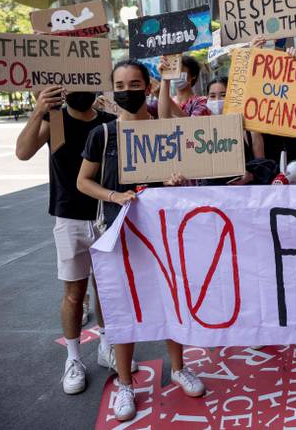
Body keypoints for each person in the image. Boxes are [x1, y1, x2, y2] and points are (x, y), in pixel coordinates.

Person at [76, 60, 206, 422]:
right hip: (119, 233)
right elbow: (83, 182)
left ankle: (178, 367)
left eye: (135, 84)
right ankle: (125, 383)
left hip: (162, 233)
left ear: (148, 88)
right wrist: (113, 196)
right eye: (120, 84)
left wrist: (179, 181)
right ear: (112, 90)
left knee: (170, 300)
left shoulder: (166, 130)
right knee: (123, 309)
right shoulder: (102, 135)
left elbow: (182, 176)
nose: (127, 90)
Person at [15, 87, 119, 395]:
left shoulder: (109, 121)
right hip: (69, 216)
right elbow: (22, 152)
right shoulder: (55, 120)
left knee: (107, 290)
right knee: (74, 293)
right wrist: (38, 110)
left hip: (107, 214)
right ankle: (73, 358)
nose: (79, 91)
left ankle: (107, 345)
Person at [157, 54, 211, 118]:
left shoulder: (202, 101)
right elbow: (163, 119)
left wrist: (160, 94)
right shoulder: (163, 100)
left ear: (193, 76)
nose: (175, 74)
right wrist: (164, 78)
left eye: (180, 70)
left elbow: (191, 125)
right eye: (174, 70)